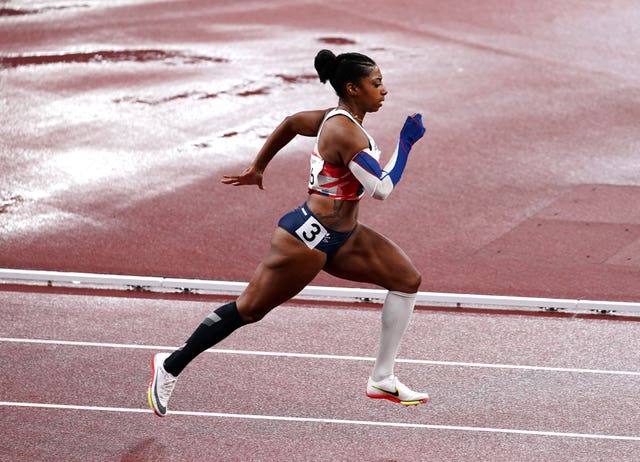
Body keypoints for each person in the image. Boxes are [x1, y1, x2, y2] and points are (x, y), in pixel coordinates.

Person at [148, 49, 428, 417]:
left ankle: (382, 378)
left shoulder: (340, 118)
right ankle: (170, 365)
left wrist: (258, 167)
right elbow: (382, 188)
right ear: (352, 88)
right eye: (376, 84)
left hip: (344, 236)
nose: (384, 90)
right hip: (306, 239)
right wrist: (406, 143)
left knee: (407, 280)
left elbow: (292, 123)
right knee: (249, 310)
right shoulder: (344, 131)